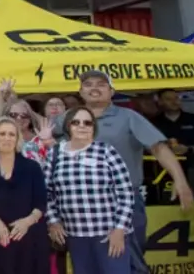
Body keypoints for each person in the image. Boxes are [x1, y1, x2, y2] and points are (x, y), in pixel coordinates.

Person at [59, 70, 192, 274]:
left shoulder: (129, 117)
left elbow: (158, 148)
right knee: (86, 266)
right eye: (88, 84)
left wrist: (181, 181)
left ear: (112, 91)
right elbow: (32, 135)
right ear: (80, 92)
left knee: (130, 262)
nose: (94, 88)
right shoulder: (66, 119)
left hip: (122, 202)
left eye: (101, 84)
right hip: (78, 206)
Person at [44, 107, 134, 274]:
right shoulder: (54, 154)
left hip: (108, 234)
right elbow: (46, 193)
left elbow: (126, 193)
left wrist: (120, 229)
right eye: (76, 122)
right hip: (75, 236)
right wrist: (53, 221)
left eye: (87, 122)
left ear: (94, 127)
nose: (82, 126)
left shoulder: (106, 151)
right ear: (68, 126)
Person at [0, 117, 48, 274]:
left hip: (29, 236)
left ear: (17, 138)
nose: (7, 138)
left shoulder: (32, 167)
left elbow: (41, 203)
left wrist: (27, 222)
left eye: (11, 134)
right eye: (2, 134)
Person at [152, 89, 194, 167]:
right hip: (161, 171)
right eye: (168, 99)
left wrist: (188, 149)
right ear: (160, 102)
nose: (174, 102)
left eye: (176, 98)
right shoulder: (152, 123)